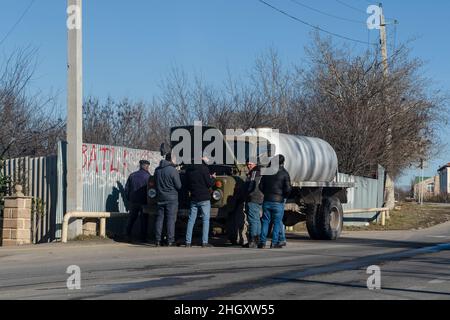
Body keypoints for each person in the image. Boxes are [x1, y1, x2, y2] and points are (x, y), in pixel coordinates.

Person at [258, 155, 292, 249]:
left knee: (265, 221)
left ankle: (262, 242)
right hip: (278, 201)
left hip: (267, 200)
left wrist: (266, 193)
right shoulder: (285, 173)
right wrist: (284, 196)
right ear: (282, 162)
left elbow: (260, 186)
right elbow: (288, 189)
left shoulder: (267, 172)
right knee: (277, 222)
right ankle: (274, 243)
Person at [185, 157, 215, 248]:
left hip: (194, 198)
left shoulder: (188, 170)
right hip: (204, 198)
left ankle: (188, 242)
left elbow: (187, 185)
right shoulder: (204, 169)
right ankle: (204, 242)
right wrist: (213, 178)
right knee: (205, 220)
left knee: (191, 220)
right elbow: (209, 183)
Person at [154, 153, 182, 247]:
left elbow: (154, 183)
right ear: (171, 159)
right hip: (172, 199)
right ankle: (170, 240)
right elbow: (179, 186)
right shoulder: (173, 171)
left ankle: (158, 240)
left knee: (159, 218)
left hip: (160, 197)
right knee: (170, 219)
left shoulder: (157, 170)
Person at [124, 160, 151, 242]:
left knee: (131, 219)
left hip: (134, 201)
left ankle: (127, 235)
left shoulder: (132, 175)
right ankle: (143, 238)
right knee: (144, 220)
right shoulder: (148, 177)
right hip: (144, 202)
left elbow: (126, 189)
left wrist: (129, 199)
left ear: (140, 166)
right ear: (146, 166)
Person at [243, 159, 264, 248]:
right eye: (247, 164)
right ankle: (257, 240)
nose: (249, 166)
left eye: (250, 164)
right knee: (257, 220)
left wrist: (248, 194)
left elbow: (252, 186)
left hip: (253, 198)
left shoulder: (254, 172)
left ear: (255, 164)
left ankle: (252, 241)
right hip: (260, 198)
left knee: (252, 220)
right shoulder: (261, 171)